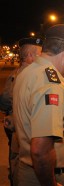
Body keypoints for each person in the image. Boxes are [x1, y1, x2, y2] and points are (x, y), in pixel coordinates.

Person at [13, 24, 64, 186]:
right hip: (44, 176)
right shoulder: (52, 84)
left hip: (27, 169)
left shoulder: (28, 72)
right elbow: (40, 149)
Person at [0, 37, 43, 186]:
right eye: (39, 53)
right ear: (30, 56)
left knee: (15, 159)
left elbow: (5, 99)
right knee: (25, 162)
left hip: (13, 124)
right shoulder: (35, 75)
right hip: (26, 126)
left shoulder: (15, 73)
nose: (42, 57)